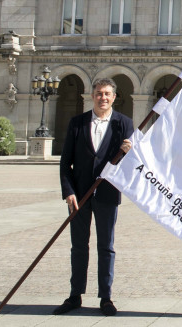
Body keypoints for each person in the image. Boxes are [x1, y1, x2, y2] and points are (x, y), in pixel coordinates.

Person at [54, 78, 134, 316]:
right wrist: (68, 191)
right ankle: (75, 295)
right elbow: (64, 161)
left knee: (106, 246)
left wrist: (131, 154)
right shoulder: (77, 123)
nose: (103, 98)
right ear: (92, 96)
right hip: (78, 195)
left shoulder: (124, 124)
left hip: (108, 194)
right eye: (99, 93)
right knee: (78, 246)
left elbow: (131, 165)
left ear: (114, 97)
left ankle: (106, 297)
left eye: (107, 94)